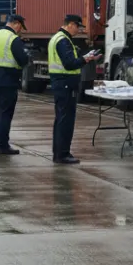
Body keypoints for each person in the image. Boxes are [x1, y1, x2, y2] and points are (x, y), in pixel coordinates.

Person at [48, 14, 102, 165]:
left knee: (61, 119)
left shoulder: (57, 38)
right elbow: (70, 63)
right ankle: (62, 154)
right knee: (66, 120)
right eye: (78, 26)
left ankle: (59, 153)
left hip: (61, 83)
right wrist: (86, 59)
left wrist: (85, 58)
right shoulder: (63, 41)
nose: (79, 30)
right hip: (65, 84)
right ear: (70, 24)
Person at [0, 15, 30, 155]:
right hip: (8, 80)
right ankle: (2, 145)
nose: (20, 31)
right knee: (5, 113)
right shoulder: (13, 39)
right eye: (20, 27)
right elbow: (22, 59)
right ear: (16, 24)